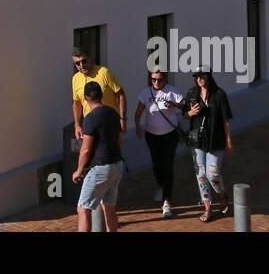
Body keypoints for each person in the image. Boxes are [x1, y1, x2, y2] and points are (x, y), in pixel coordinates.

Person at [71, 80, 124, 232]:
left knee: (83, 208)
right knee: (109, 207)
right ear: (101, 95)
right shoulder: (113, 113)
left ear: (86, 98)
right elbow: (120, 137)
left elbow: (86, 149)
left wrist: (79, 171)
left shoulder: (91, 118)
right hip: (117, 165)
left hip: (100, 168)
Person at [184, 67, 233, 223]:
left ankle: (223, 195)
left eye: (201, 76)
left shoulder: (219, 95)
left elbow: (225, 120)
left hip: (215, 140)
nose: (199, 79)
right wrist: (190, 113)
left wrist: (228, 139)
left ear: (208, 76)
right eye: (196, 77)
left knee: (212, 174)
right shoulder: (192, 93)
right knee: (201, 175)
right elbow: (184, 113)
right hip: (197, 141)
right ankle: (208, 208)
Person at [134, 69, 184, 219]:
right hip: (152, 135)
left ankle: (167, 201)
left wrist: (174, 104)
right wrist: (137, 126)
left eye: (159, 80)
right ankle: (160, 185)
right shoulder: (145, 93)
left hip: (169, 135)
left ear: (165, 79)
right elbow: (138, 113)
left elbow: (185, 106)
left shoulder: (171, 91)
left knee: (168, 165)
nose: (156, 82)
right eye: (153, 79)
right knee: (156, 164)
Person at [71, 48, 125, 141]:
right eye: (77, 63)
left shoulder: (104, 72)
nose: (81, 65)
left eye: (84, 61)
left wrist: (122, 118)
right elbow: (77, 103)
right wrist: (77, 125)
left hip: (109, 122)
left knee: (109, 153)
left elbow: (121, 95)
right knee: (89, 153)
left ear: (90, 59)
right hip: (89, 124)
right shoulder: (76, 78)